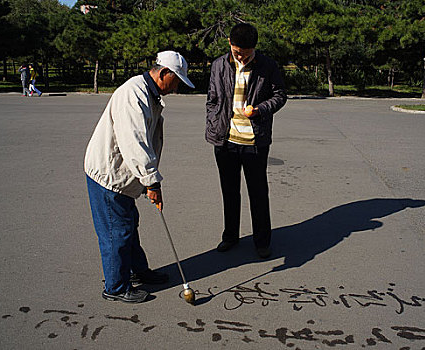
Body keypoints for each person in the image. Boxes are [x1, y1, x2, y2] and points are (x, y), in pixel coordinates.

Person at [84, 51, 194, 303]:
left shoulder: (150, 93)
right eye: (176, 81)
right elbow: (135, 143)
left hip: (124, 173)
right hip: (108, 173)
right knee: (117, 231)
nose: (176, 88)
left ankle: (136, 272)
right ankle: (115, 287)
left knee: (128, 224)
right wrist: (151, 181)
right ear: (163, 73)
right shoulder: (134, 94)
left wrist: (147, 180)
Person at [205, 23, 287, 259]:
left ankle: (262, 241)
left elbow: (280, 95)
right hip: (225, 140)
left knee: (258, 192)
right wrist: (213, 123)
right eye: (237, 51)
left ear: (254, 48)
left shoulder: (267, 66)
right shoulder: (219, 65)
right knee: (229, 191)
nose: (241, 56)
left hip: (254, 141)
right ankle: (230, 236)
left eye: (246, 53)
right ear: (230, 43)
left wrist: (260, 109)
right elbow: (212, 99)